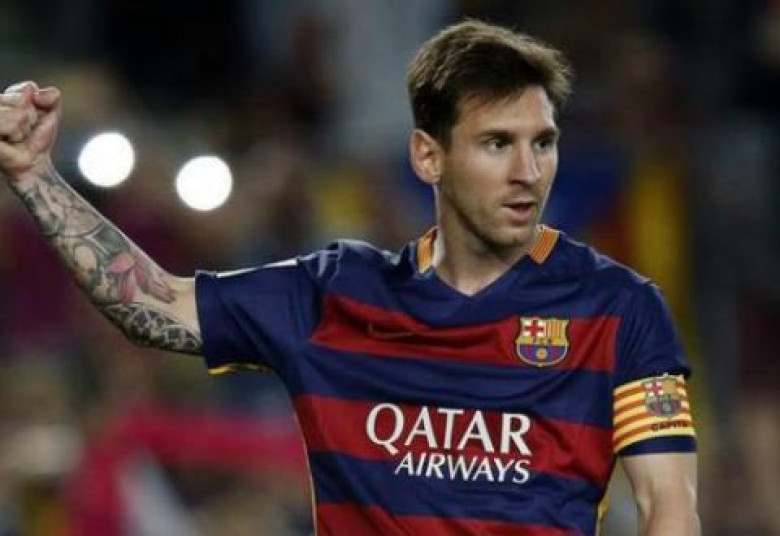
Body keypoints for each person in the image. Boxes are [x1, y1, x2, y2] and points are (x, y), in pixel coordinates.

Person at [0, 20, 699, 536]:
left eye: (542, 143)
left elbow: (668, 502)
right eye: (497, 144)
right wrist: (34, 175)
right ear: (428, 157)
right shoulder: (336, 294)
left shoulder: (620, 308)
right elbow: (151, 302)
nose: (528, 171)